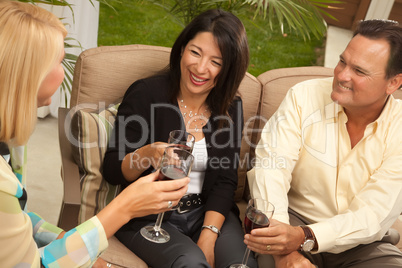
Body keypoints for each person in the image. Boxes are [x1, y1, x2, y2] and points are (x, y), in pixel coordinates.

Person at [0, 1, 189, 267]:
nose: (63, 70)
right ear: (28, 75)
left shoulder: (8, 147)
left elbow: (18, 218)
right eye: (60, 60)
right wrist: (125, 206)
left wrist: (69, 243)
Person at [102, 9, 256, 268]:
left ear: (228, 69)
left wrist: (208, 236)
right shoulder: (146, 93)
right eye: (195, 52)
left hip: (207, 213)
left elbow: (226, 180)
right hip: (150, 216)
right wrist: (147, 153)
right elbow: (112, 170)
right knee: (191, 264)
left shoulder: (231, 108)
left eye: (216, 62)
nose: (200, 67)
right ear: (182, 49)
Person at [246, 19, 402, 267]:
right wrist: (284, 249)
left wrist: (304, 237)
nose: (342, 75)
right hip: (290, 221)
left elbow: (373, 214)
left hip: (362, 243)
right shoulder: (303, 97)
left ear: (393, 83)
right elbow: (271, 169)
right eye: (342, 61)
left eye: (359, 71)